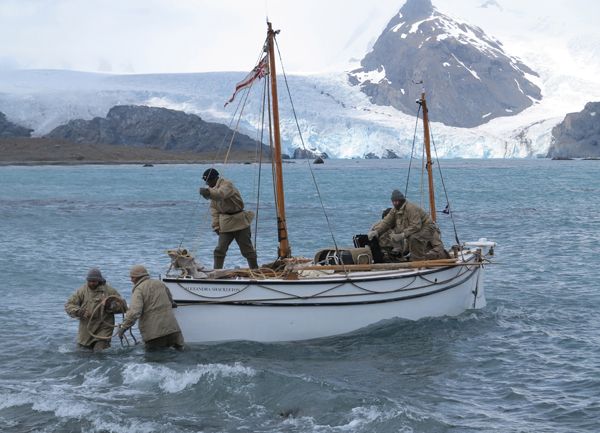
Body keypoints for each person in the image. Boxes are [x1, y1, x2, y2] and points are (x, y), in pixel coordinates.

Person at [199, 168, 258, 269]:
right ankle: (216, 271)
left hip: (240, 222)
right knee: (219, 250)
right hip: (225, 224)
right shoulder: (212, 190)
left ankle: (255, 271)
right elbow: (214, 210)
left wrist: (208, 193)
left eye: (208, 181)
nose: (207, 184)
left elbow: (220, 195)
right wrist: (216, 226)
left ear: (215, 179)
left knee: (247, 250)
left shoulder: (227, 184)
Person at [368, 190, 449, 261]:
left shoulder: (411, 208)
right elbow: (386, 222)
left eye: (397, 201)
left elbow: (416, 226)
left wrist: (402, 235)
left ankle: (418, 260)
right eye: (394, 202)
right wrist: (376, 231)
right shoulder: (395, 210)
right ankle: (408, 255)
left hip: (427, 227)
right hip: (415, 231)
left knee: (414, 238)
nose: (395, 203)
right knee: (403, 235)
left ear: (402, 200)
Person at [118, 265, 184, 350]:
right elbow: (171, 301)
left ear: (137, 277)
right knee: (178, 355)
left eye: (132, 277)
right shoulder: (160, 283)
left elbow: (134, 313)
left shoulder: (139, 290)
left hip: (154, 335)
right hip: (173, 331)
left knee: (155, 361)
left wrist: (123, 328)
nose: (131, 280)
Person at [65, 268, 127, 352]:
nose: (91, 283)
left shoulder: (109, 291)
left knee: (99, 353)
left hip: (104, 329)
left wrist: (109, 305)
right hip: (86, 329)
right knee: (83, 355)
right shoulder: (82, 291)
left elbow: (123, 307)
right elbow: (69, 305)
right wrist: (79, 312)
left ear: (99, 280)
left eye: (94, 281)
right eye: (89, 281)